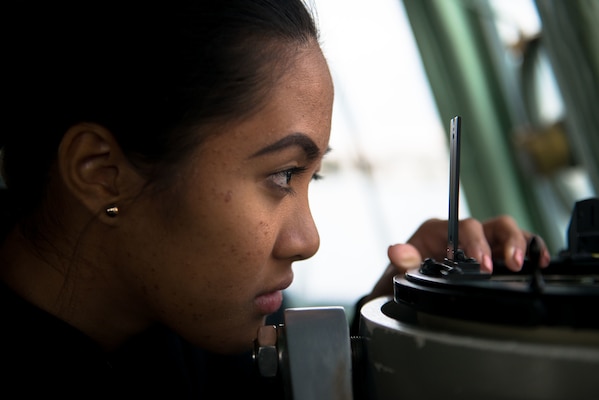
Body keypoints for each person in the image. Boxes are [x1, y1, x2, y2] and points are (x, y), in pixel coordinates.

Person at [0, 0, 550, 398]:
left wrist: (394, 326)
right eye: (283, 175)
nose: (308, 241)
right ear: (101, 173)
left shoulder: (190, 333)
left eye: (315, 177)